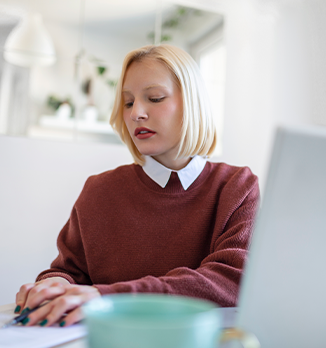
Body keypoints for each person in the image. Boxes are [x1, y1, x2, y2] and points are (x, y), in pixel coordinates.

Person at [14, 44, 260, 328]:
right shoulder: (99, 191)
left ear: (192, 103)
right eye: (128, 102)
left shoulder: (237, 186)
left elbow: (233, 278)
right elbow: (68, 272)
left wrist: (107, 296)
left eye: (154, 98)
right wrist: (52, 285)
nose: (136, 114)